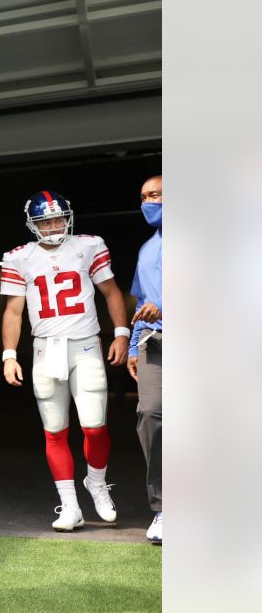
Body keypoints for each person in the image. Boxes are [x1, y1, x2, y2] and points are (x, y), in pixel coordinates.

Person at [0, 191, 130, 532]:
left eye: (59, 218)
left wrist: (120, 333)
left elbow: (112, 291)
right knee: (55, 431)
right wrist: (9, 354)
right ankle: (70, 506)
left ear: (68, 218)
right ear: (34, 224)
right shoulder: (19, 258)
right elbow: (13, 311)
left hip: (85, 344)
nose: (55, 226)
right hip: (45, 347)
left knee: (95, 426)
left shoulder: (88, 246)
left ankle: (97, 482)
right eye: (47, 220)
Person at [127, 175, 162, 544]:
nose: (147, 202)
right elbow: (142, 303)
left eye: (154, 195)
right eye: (143, 197)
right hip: (155, 343)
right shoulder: (146, 249)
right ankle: (165, 508)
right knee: (150, 415)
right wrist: (136, 344)